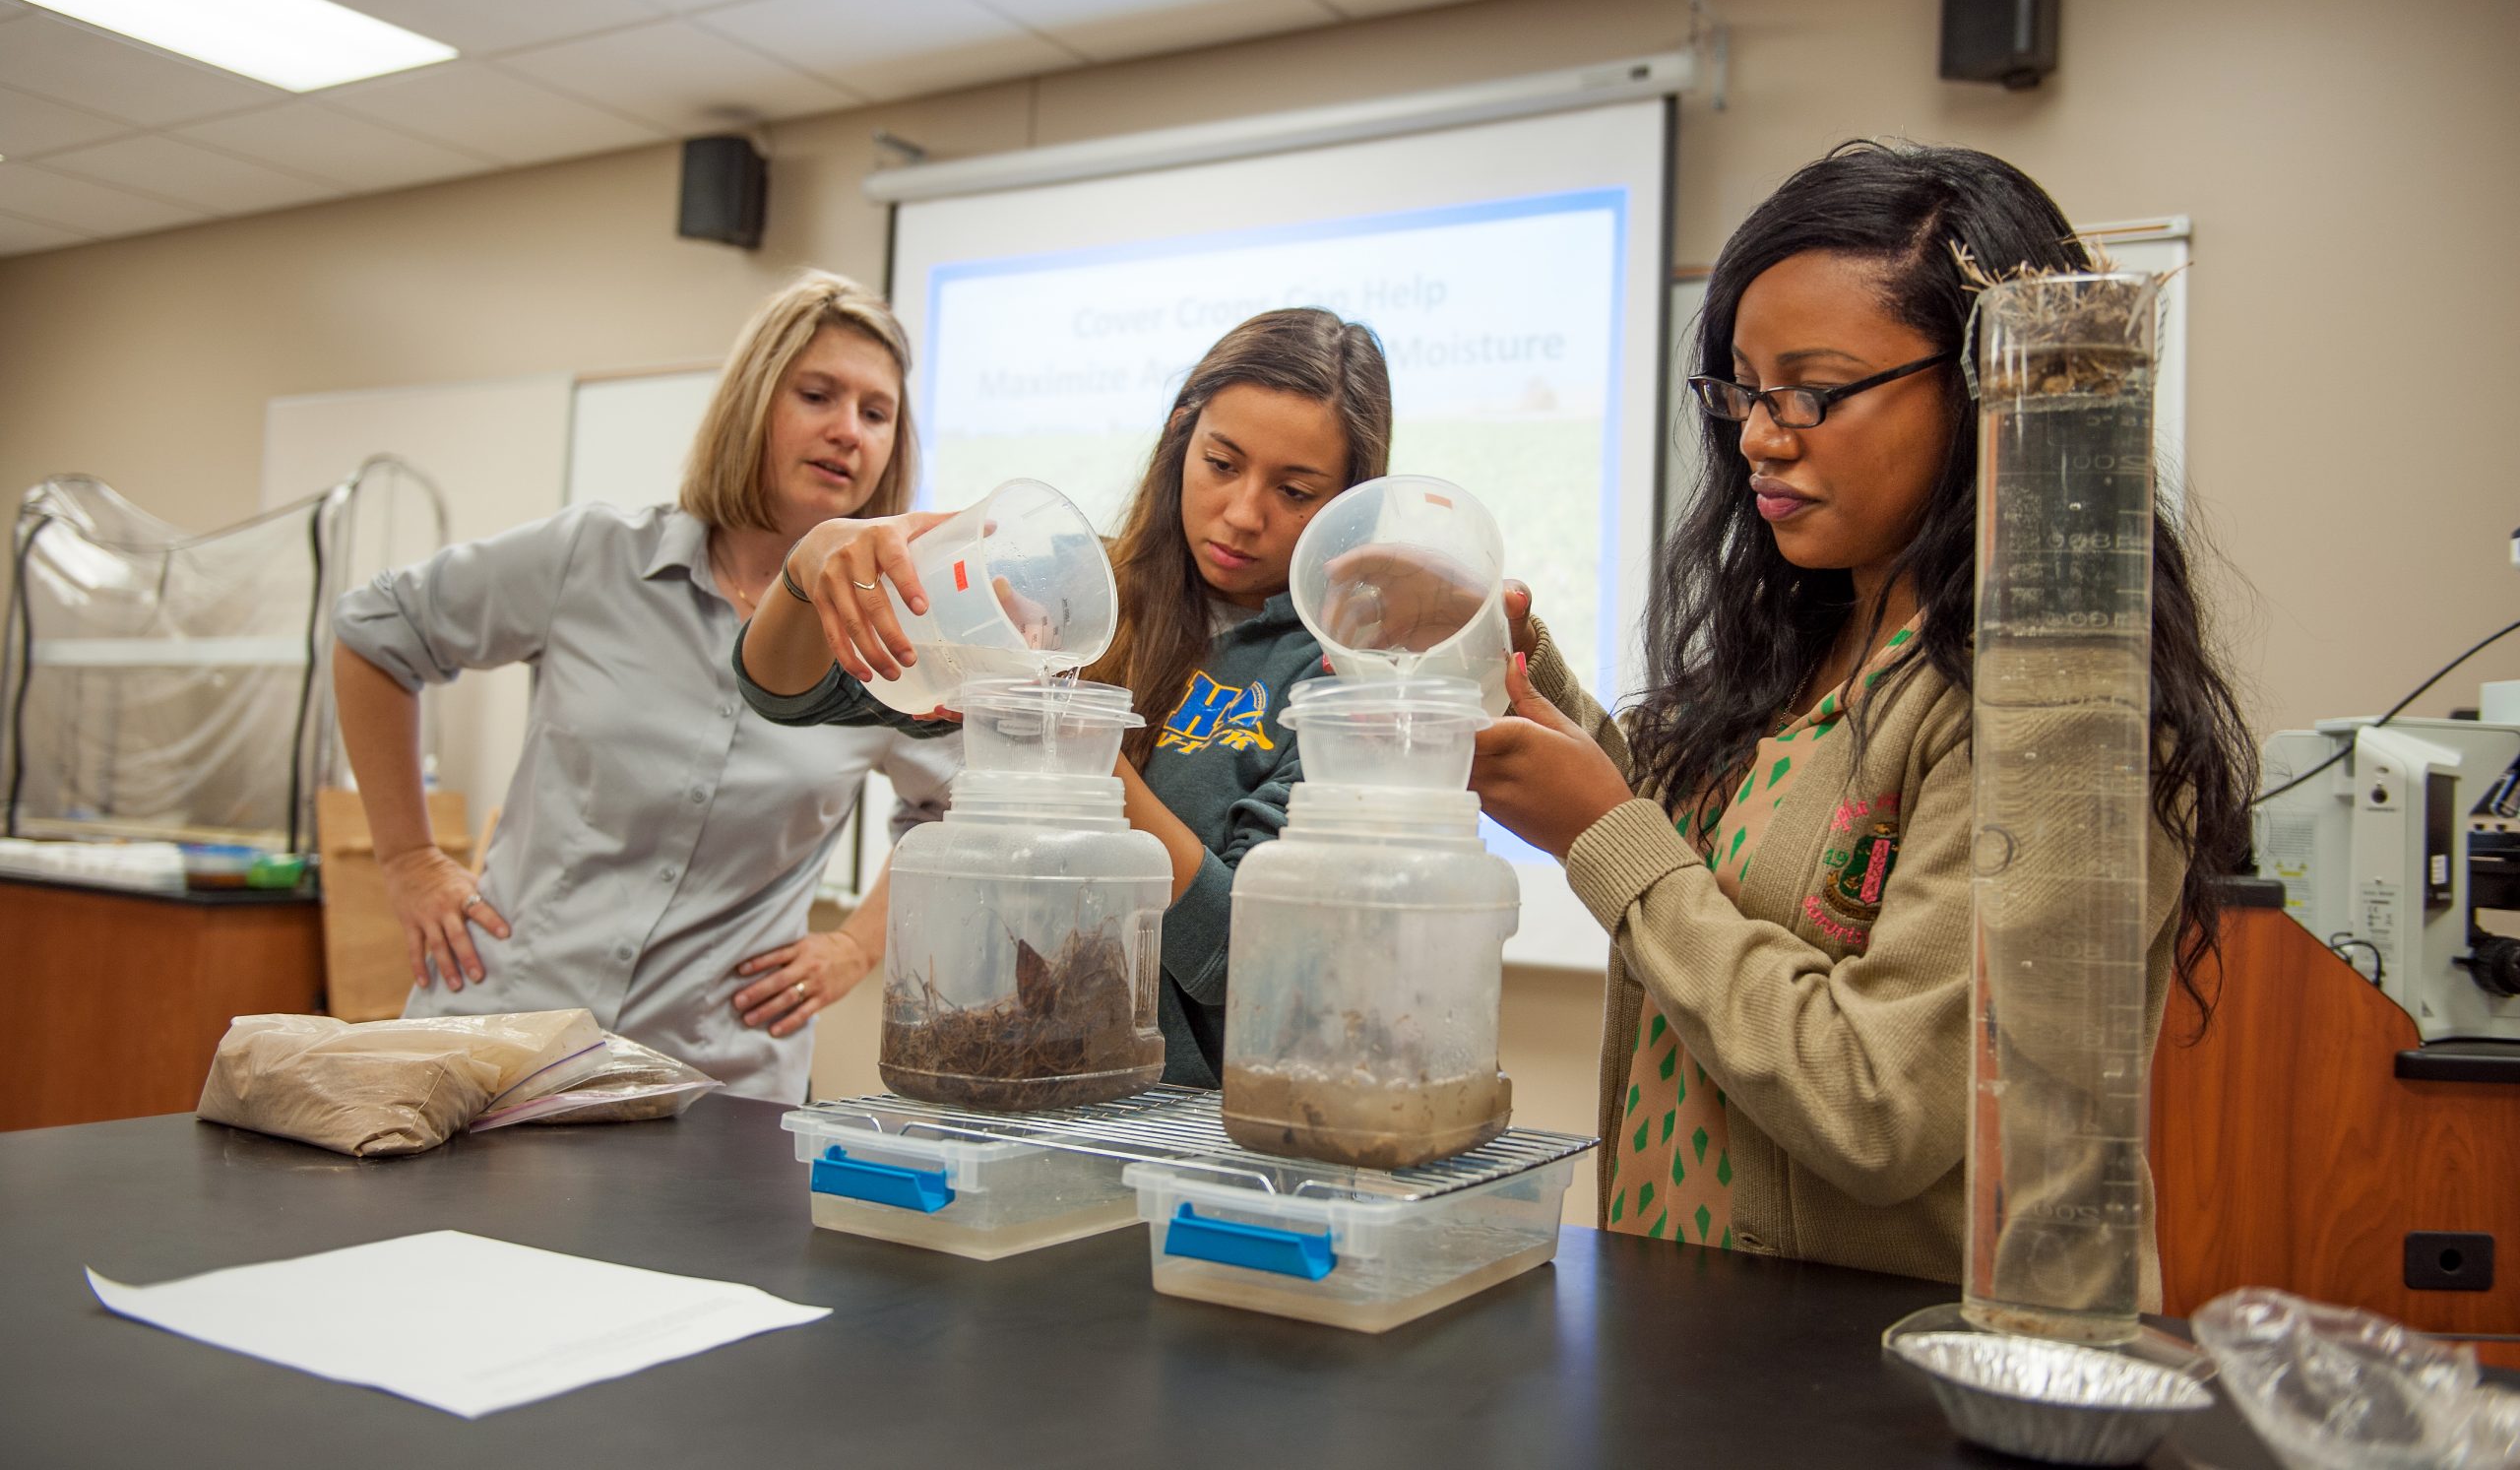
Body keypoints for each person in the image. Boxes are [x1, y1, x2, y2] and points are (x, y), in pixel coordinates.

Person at [1468, 141, 2255, 1292]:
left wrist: (1603, 840)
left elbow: (1880, 1104)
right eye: (1739, 387)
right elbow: (1726, 869)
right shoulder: (1815, 639)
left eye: (1813, 390)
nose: (1757, 436)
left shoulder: (2058, 704)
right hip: (1700, 1329)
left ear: (1988, 384)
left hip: (1884, 1370)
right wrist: (1522, 679)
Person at [331, 273, 958, 1101]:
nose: (849, 431)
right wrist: (410, 859)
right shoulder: (591, 557)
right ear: (752, 405)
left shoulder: (890, 638)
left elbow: (955, 811)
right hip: (498, 1043)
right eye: (817, 395)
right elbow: (376, 631)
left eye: (876, 413)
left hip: (708, 1084)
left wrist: (853, 946)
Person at [734, 308, 1394, 1085]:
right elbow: (790, 696)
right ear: (1183, 434)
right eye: (1221, 463)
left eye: (1294, 490)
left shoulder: (1337, 679)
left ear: (1350, 500)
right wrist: (809, 570)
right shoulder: (1079, 589)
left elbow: (1231, 954)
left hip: (1178, 1133)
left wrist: (1068, 733)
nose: (1245, 514)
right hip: (999, 1081)